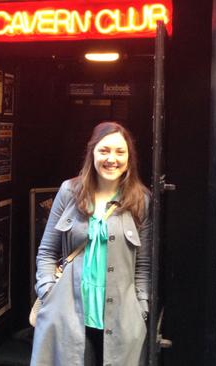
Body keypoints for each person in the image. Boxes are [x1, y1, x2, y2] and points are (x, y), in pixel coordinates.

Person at [31, 121, 152, 366]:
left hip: (121, 320)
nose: (112, 159)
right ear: (92, 153)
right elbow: (46, 251)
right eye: (104, 150)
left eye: (120, 152)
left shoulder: (141, 200)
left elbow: (144, 265)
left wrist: (141, 308)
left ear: (129, 157)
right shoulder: (69, 191)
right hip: (67, 314)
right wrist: (47, 291)